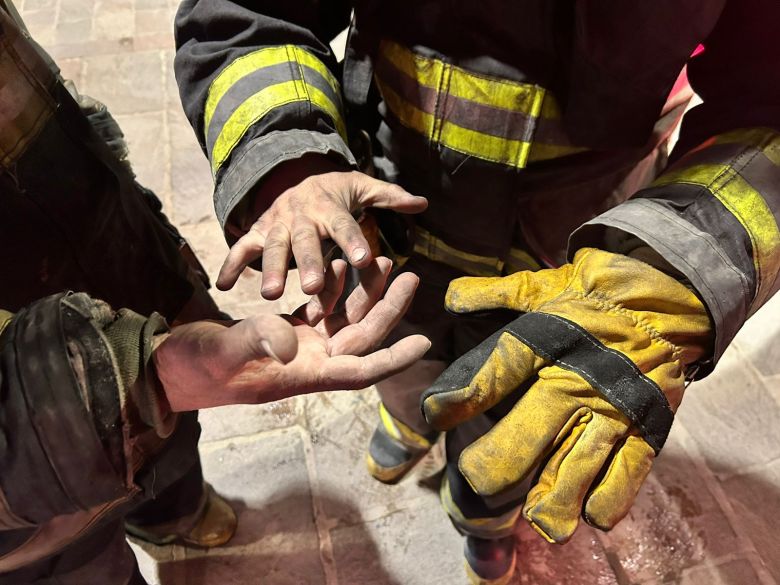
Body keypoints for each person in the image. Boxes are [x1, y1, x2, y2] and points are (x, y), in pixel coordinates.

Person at [173, 1, 780, 583]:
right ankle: (407, 421)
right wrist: (291, 162)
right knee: (395, 353)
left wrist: (683, 259)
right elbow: (247, 12)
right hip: (388, 215)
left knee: (514, 416)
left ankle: (484, 522)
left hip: (578, 253)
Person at [0, 3, 429, 583]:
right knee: (79, 561)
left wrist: (289, 167)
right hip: (27, 521)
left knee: (173, 447)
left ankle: (172, 513)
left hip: (104, 236)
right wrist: (124, 383)